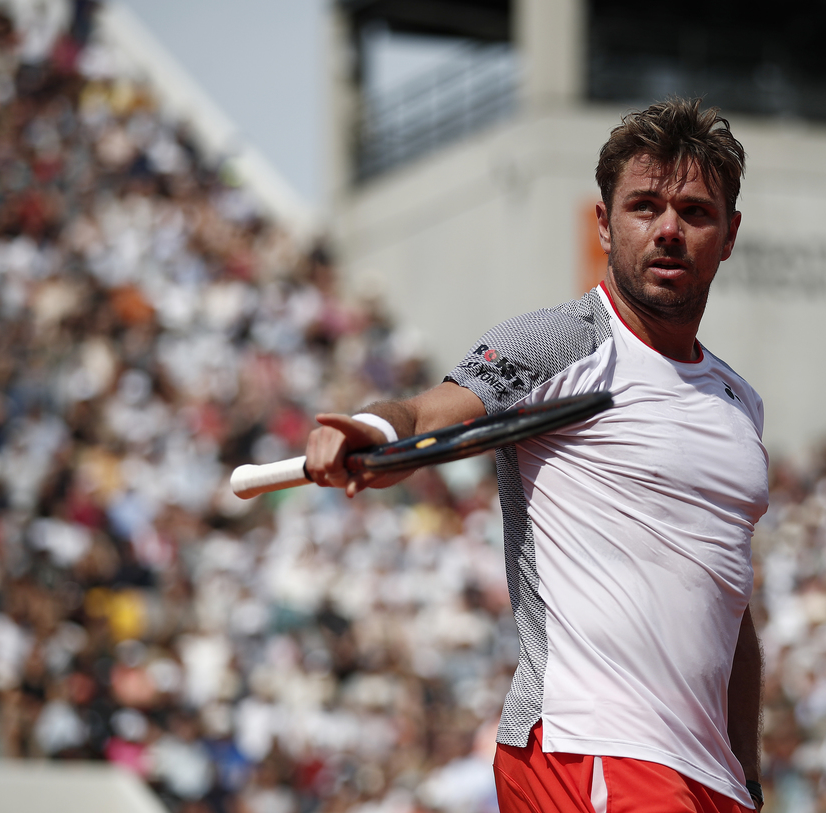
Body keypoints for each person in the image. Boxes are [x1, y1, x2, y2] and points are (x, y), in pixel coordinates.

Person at [306, 98, 770, 813]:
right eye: (644, 207)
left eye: (695, 212)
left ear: (730, 234)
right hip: (589, 747)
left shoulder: (739, 402)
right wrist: (369, 428)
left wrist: (749, 773)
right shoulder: (560, 343)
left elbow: (730, 609)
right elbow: (425, 416)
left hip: (711, 778)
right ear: (604, 223)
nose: (668, 230)